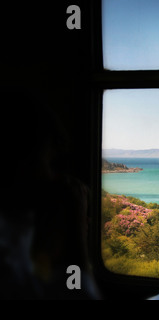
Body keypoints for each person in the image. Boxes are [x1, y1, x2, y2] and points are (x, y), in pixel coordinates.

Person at [0, 88, 100, 299]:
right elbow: (77, 295)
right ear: (18, 163)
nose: (51, 177)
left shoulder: (17, 232)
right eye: (47, 162)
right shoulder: (8, 246)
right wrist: (75, 239)